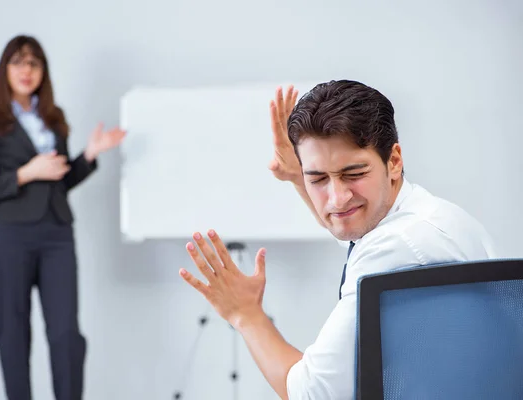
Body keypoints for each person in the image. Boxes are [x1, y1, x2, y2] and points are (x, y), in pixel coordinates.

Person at [178, 80, 496, 399]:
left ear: (394, 161)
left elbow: (311, 393)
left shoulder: (396, 247)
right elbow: (352, 231)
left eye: (354, 174)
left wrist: (245, 314)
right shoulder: (431, 215)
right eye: (317, 178)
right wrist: (296, 176)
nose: (337, 198)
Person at [0, 35, 125, 400]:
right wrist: (26, 172)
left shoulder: (54, 119)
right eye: (18, 61)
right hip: (11, 237)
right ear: (5, 68)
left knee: (66, 334)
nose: (26, 70)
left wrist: (89, 155)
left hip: (56, 234)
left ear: (43, 72)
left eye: (34, 63)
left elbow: (60, 181)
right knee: (14, 332)